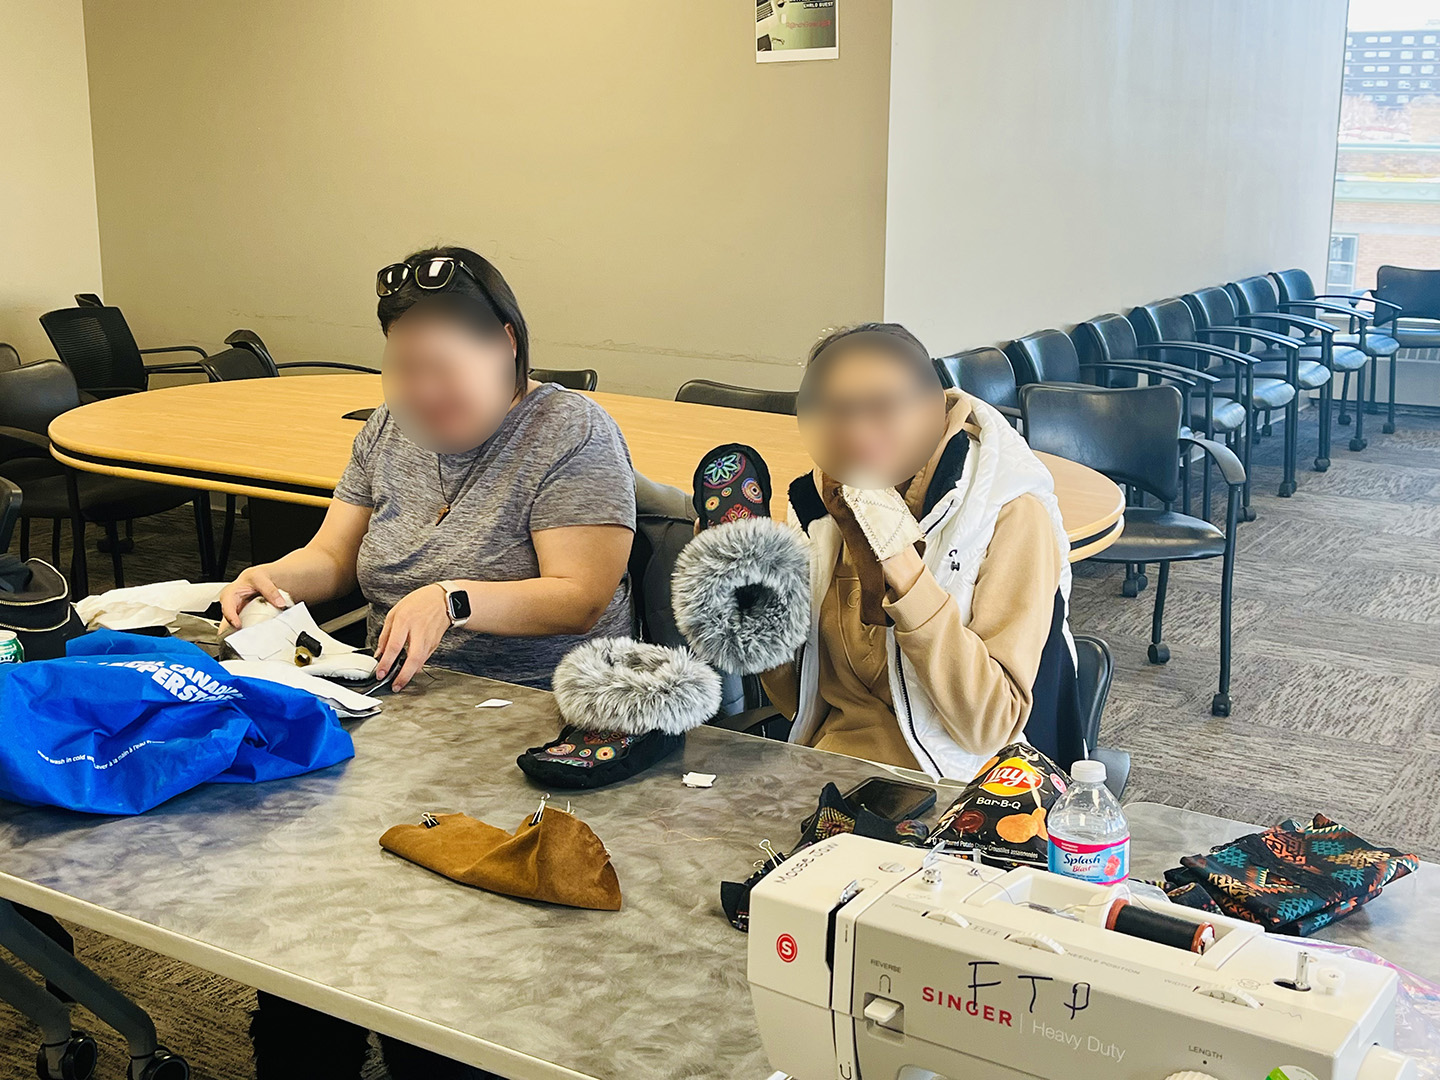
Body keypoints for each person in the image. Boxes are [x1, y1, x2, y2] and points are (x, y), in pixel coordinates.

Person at [225, 246, 636, 1080]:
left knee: (440, 957)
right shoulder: (389, 430)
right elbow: (333, 557)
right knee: (302, 910)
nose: (422, 390)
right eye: (404, 368)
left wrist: (453, 598)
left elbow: (581, 595)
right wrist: (276, 578)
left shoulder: (569, 431)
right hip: (398, 709)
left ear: (507, 346)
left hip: (532, 726)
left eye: (444, 368)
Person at [760, 322, 1083, 780]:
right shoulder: (824, 501)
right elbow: (800, 700)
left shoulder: (1011, 512)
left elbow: (989, 727)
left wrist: (903, 569)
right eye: (836, 409)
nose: (856, 430)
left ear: (933, 405)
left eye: (882, 406)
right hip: (828, 768)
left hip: (962, 786)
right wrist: (755, 616)